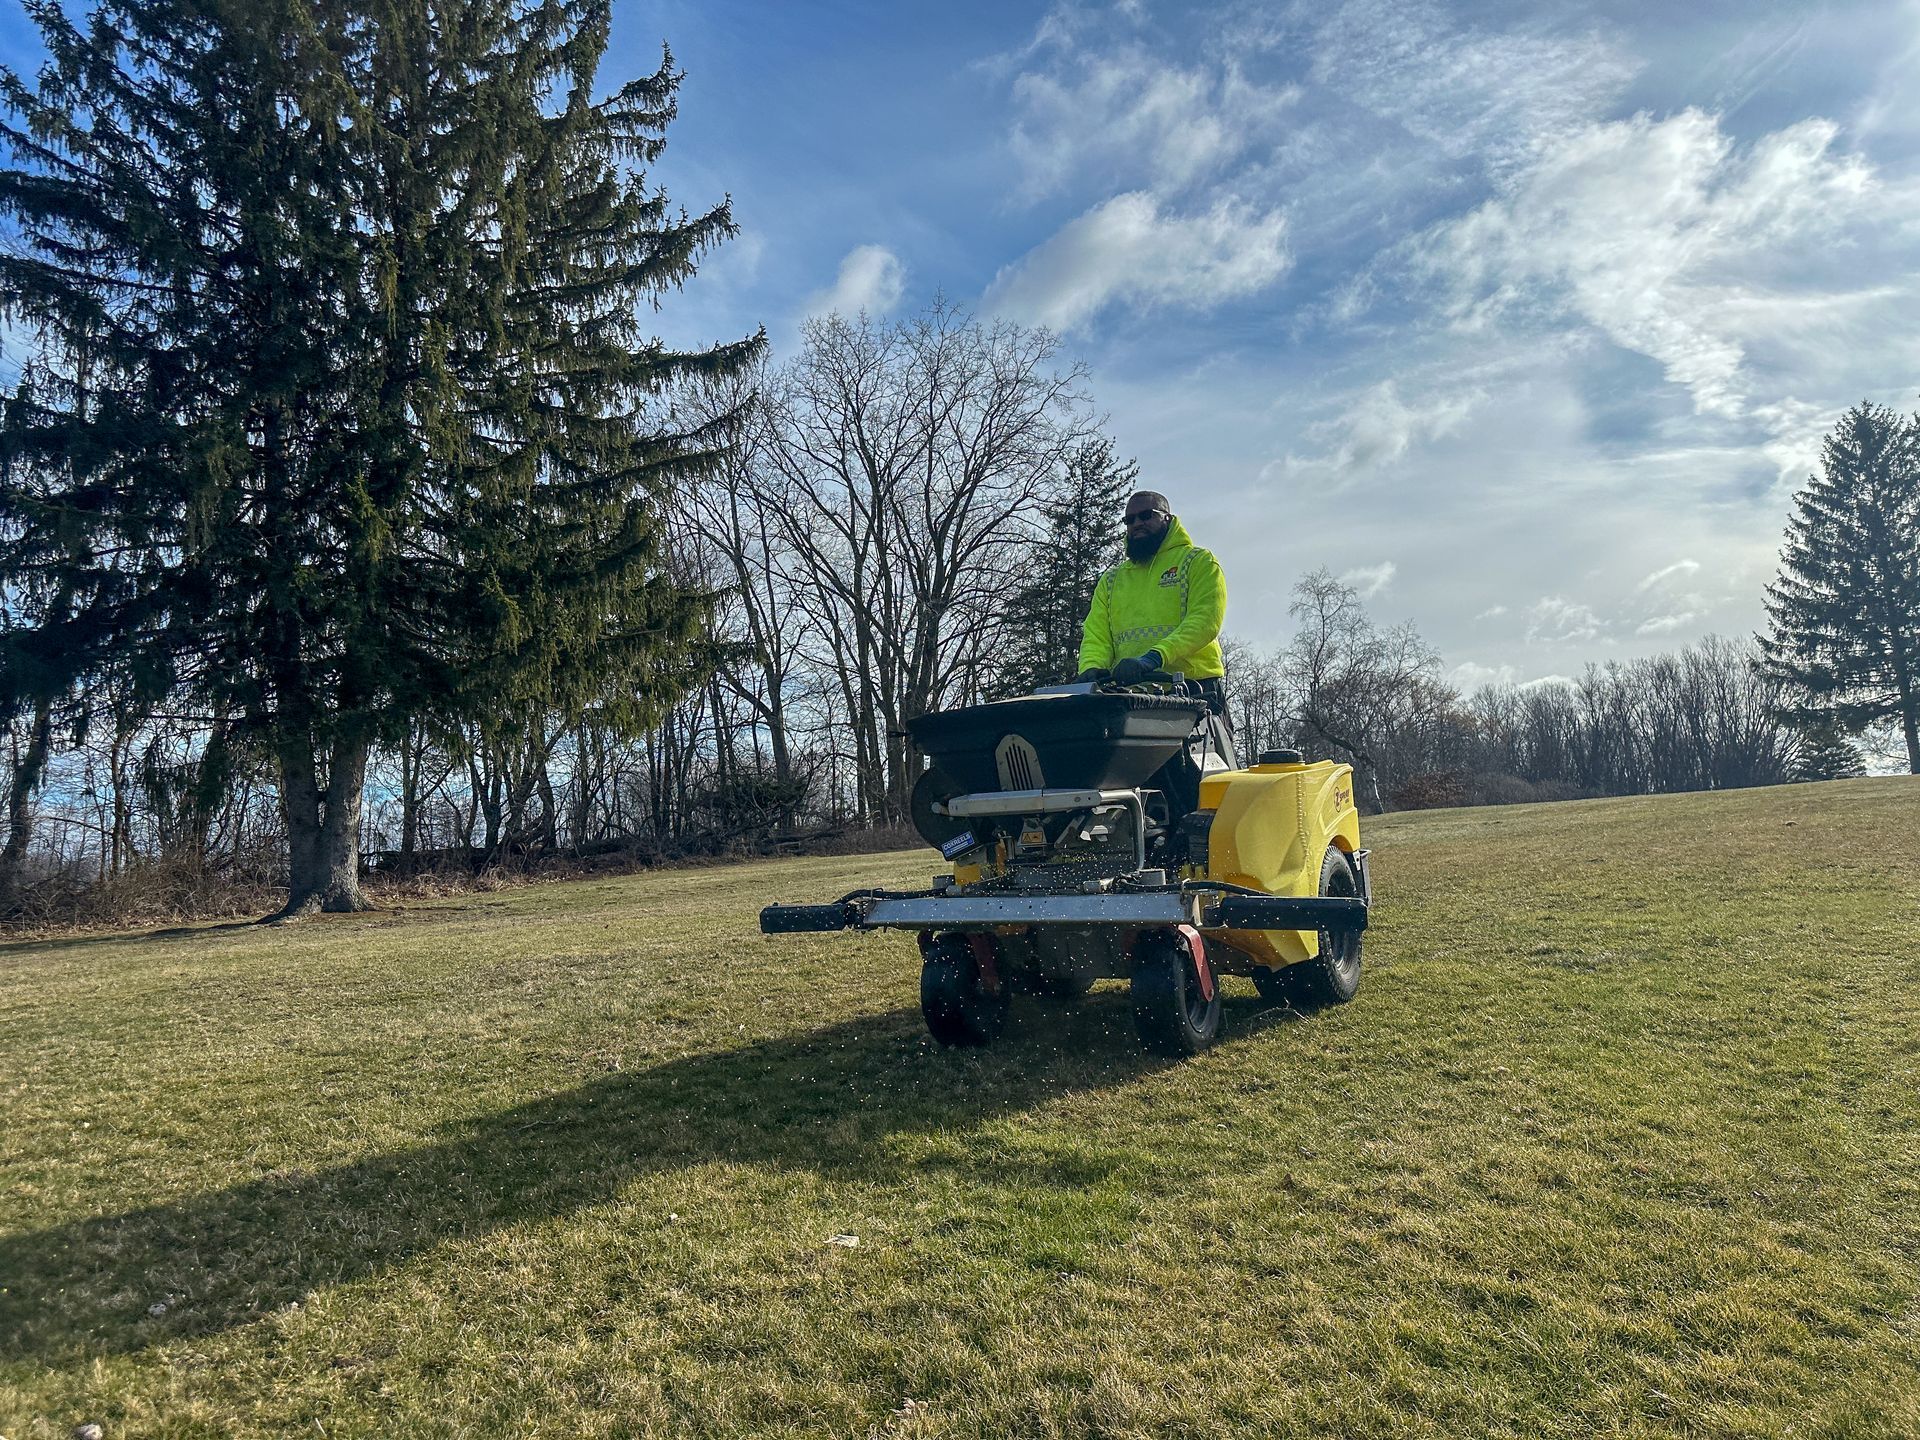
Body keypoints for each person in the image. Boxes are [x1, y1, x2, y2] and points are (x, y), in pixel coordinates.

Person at [1076, 490, 1228, 718]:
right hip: (1130, 700)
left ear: (1167, 518)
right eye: (1129, 520)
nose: (1137, 523)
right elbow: (1097, 636)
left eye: (1146, 515)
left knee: (1202, 755)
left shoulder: (1198, 562)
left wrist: (1154, 658)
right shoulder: (1111, 580)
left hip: (1195, 692)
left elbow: (1204, 621)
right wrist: (1091, 669)